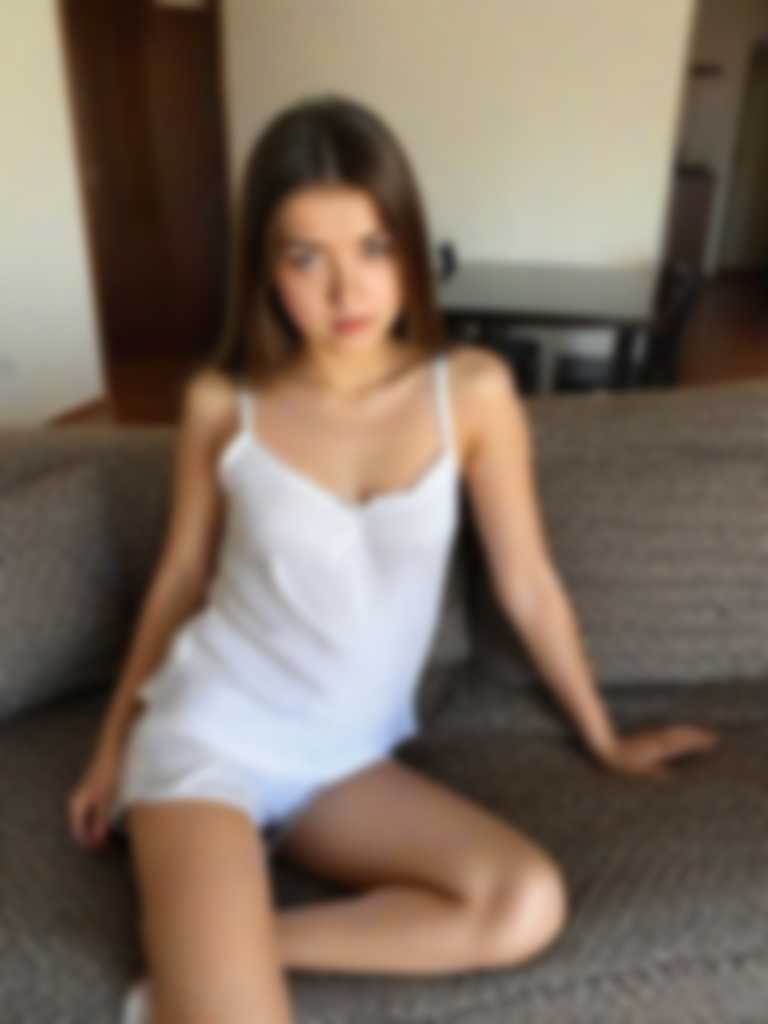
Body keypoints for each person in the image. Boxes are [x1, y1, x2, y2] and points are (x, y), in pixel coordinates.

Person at [67, 94, 720, 1024]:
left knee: (523, 901)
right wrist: (108, 751)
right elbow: (178, 579)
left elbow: (529, 586)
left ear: (410, 247)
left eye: (373, 248)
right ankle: (208, 957)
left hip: (343, 759)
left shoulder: (472, 393)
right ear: (265, 268)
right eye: (306, 257)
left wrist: (605, 737)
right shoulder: (224, 404)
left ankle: (211, 950)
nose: (348, 293)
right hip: (210, 738)